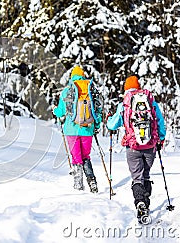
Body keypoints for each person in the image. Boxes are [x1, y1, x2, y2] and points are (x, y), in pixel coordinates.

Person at [106, 75, 166, 221]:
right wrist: (161, 139)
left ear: (126, 88)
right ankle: (146, 204)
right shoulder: (150, 102)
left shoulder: (125, 104)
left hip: (132, 147)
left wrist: (109, 119)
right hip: (150, 146)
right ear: (138, 87)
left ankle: (140, 203)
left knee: (137, 178)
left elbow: (112, 125)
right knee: (146, 176)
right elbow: (160, 122)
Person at [53, 66, 102, 193]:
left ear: (72, 77)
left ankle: (78, 184)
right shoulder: (90, 90)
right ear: (83, 76)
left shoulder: (67, 91)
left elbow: (61, 112)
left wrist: (55, 111)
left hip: (71, 130)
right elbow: (97, 110)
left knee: (76, 158)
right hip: (87, 130)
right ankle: (92, 181)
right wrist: (96, 126)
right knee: (86, 156)